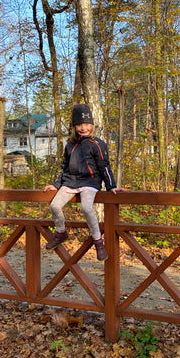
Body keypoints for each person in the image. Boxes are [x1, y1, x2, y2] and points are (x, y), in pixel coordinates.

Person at [44, 103, 122, 261]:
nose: (83, 128)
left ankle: (98, 241)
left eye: (86, 124)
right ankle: (61, 232)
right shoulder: (70, 145)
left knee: (86, 208)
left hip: (89, 181)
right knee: (54, 205)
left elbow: (104, 166)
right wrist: (56, 184)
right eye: (79, 124)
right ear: (74, 127)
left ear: (91, 125)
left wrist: (111, 186)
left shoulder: (97, 144)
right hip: (70, 182)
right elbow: (64, 167)